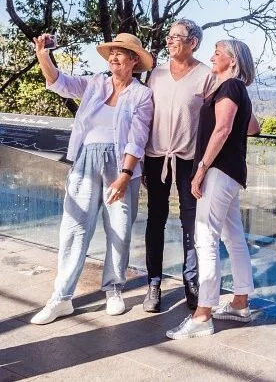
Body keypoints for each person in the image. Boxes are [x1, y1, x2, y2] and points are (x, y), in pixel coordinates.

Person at [31, 33, 153, 325]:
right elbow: (59, 83)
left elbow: (137, 140)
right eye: (111, 52)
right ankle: (61, 298)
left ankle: (113, 289)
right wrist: (43, 55)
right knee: (74, 228)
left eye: (120, 53)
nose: (113, 57)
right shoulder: (95, 83)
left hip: (122, 165)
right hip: (86, 160)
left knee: (119, 229)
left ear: (134, 60)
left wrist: (124, 177)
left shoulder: (142, 94)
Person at [166, 39, 260, 339]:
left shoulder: (230, 88)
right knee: (233, 237)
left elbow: (222, 129)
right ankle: (240, 304)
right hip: (232, 173)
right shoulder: (234, 90)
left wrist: (201, 169)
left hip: (219, 172)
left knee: (205, 238)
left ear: (232, 61)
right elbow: (253, 127)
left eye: (217, 53)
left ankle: (203, 314)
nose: (212, 57)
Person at [142, 19, 215, 312]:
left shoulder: (206, 77)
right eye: (169, 37)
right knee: (155, 219)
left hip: (188, 161)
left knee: (191, 223)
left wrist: (204, 166)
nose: (169, 41)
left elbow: (213, 123)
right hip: (155, 157)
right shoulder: (156, 75)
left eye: (176, 37)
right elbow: (145, 116)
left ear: (192, 43)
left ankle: (191, 282)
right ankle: (154, 283)